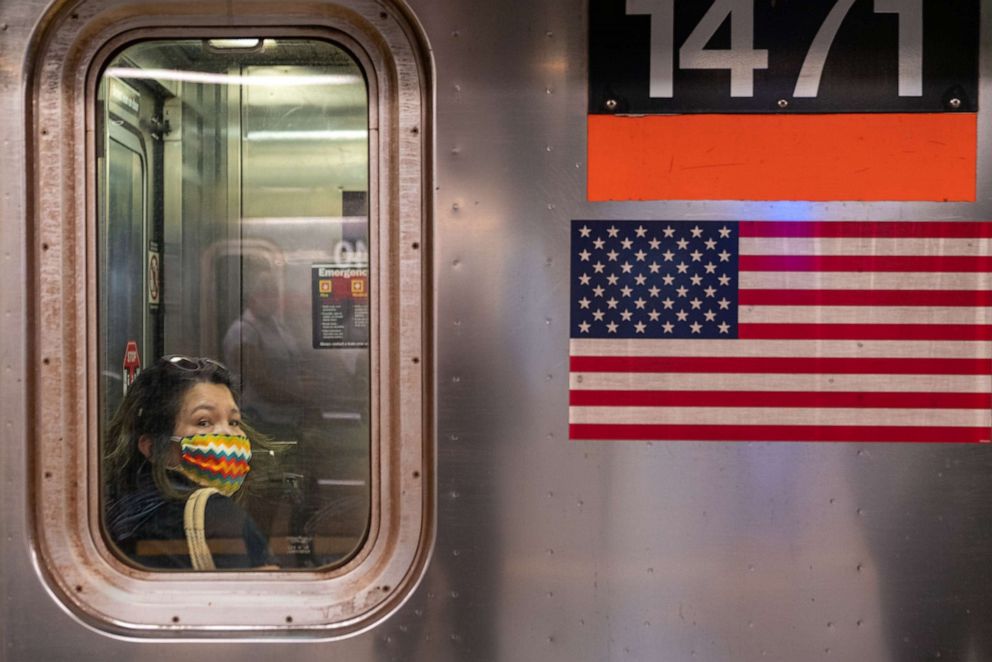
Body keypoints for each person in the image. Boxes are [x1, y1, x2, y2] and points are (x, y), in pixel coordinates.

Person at [104, 355, 275, 570]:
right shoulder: (217, 515)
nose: (227, 433)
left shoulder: (114, 514)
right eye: (203, 422)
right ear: (153, 448)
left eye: (233, 421)